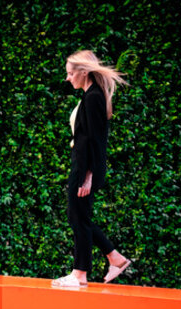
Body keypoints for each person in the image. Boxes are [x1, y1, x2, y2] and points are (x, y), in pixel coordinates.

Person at [50, 50, 132, 287]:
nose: (67, 78)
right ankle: (114, 258)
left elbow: (95, 139)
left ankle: (80, 273)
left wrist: (88, 176)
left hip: (85, 168)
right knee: (78, 216)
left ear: (84, 72)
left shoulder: (93, 97)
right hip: (82, 165)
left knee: (78, 216)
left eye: (70, 73)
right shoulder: (90, 95)